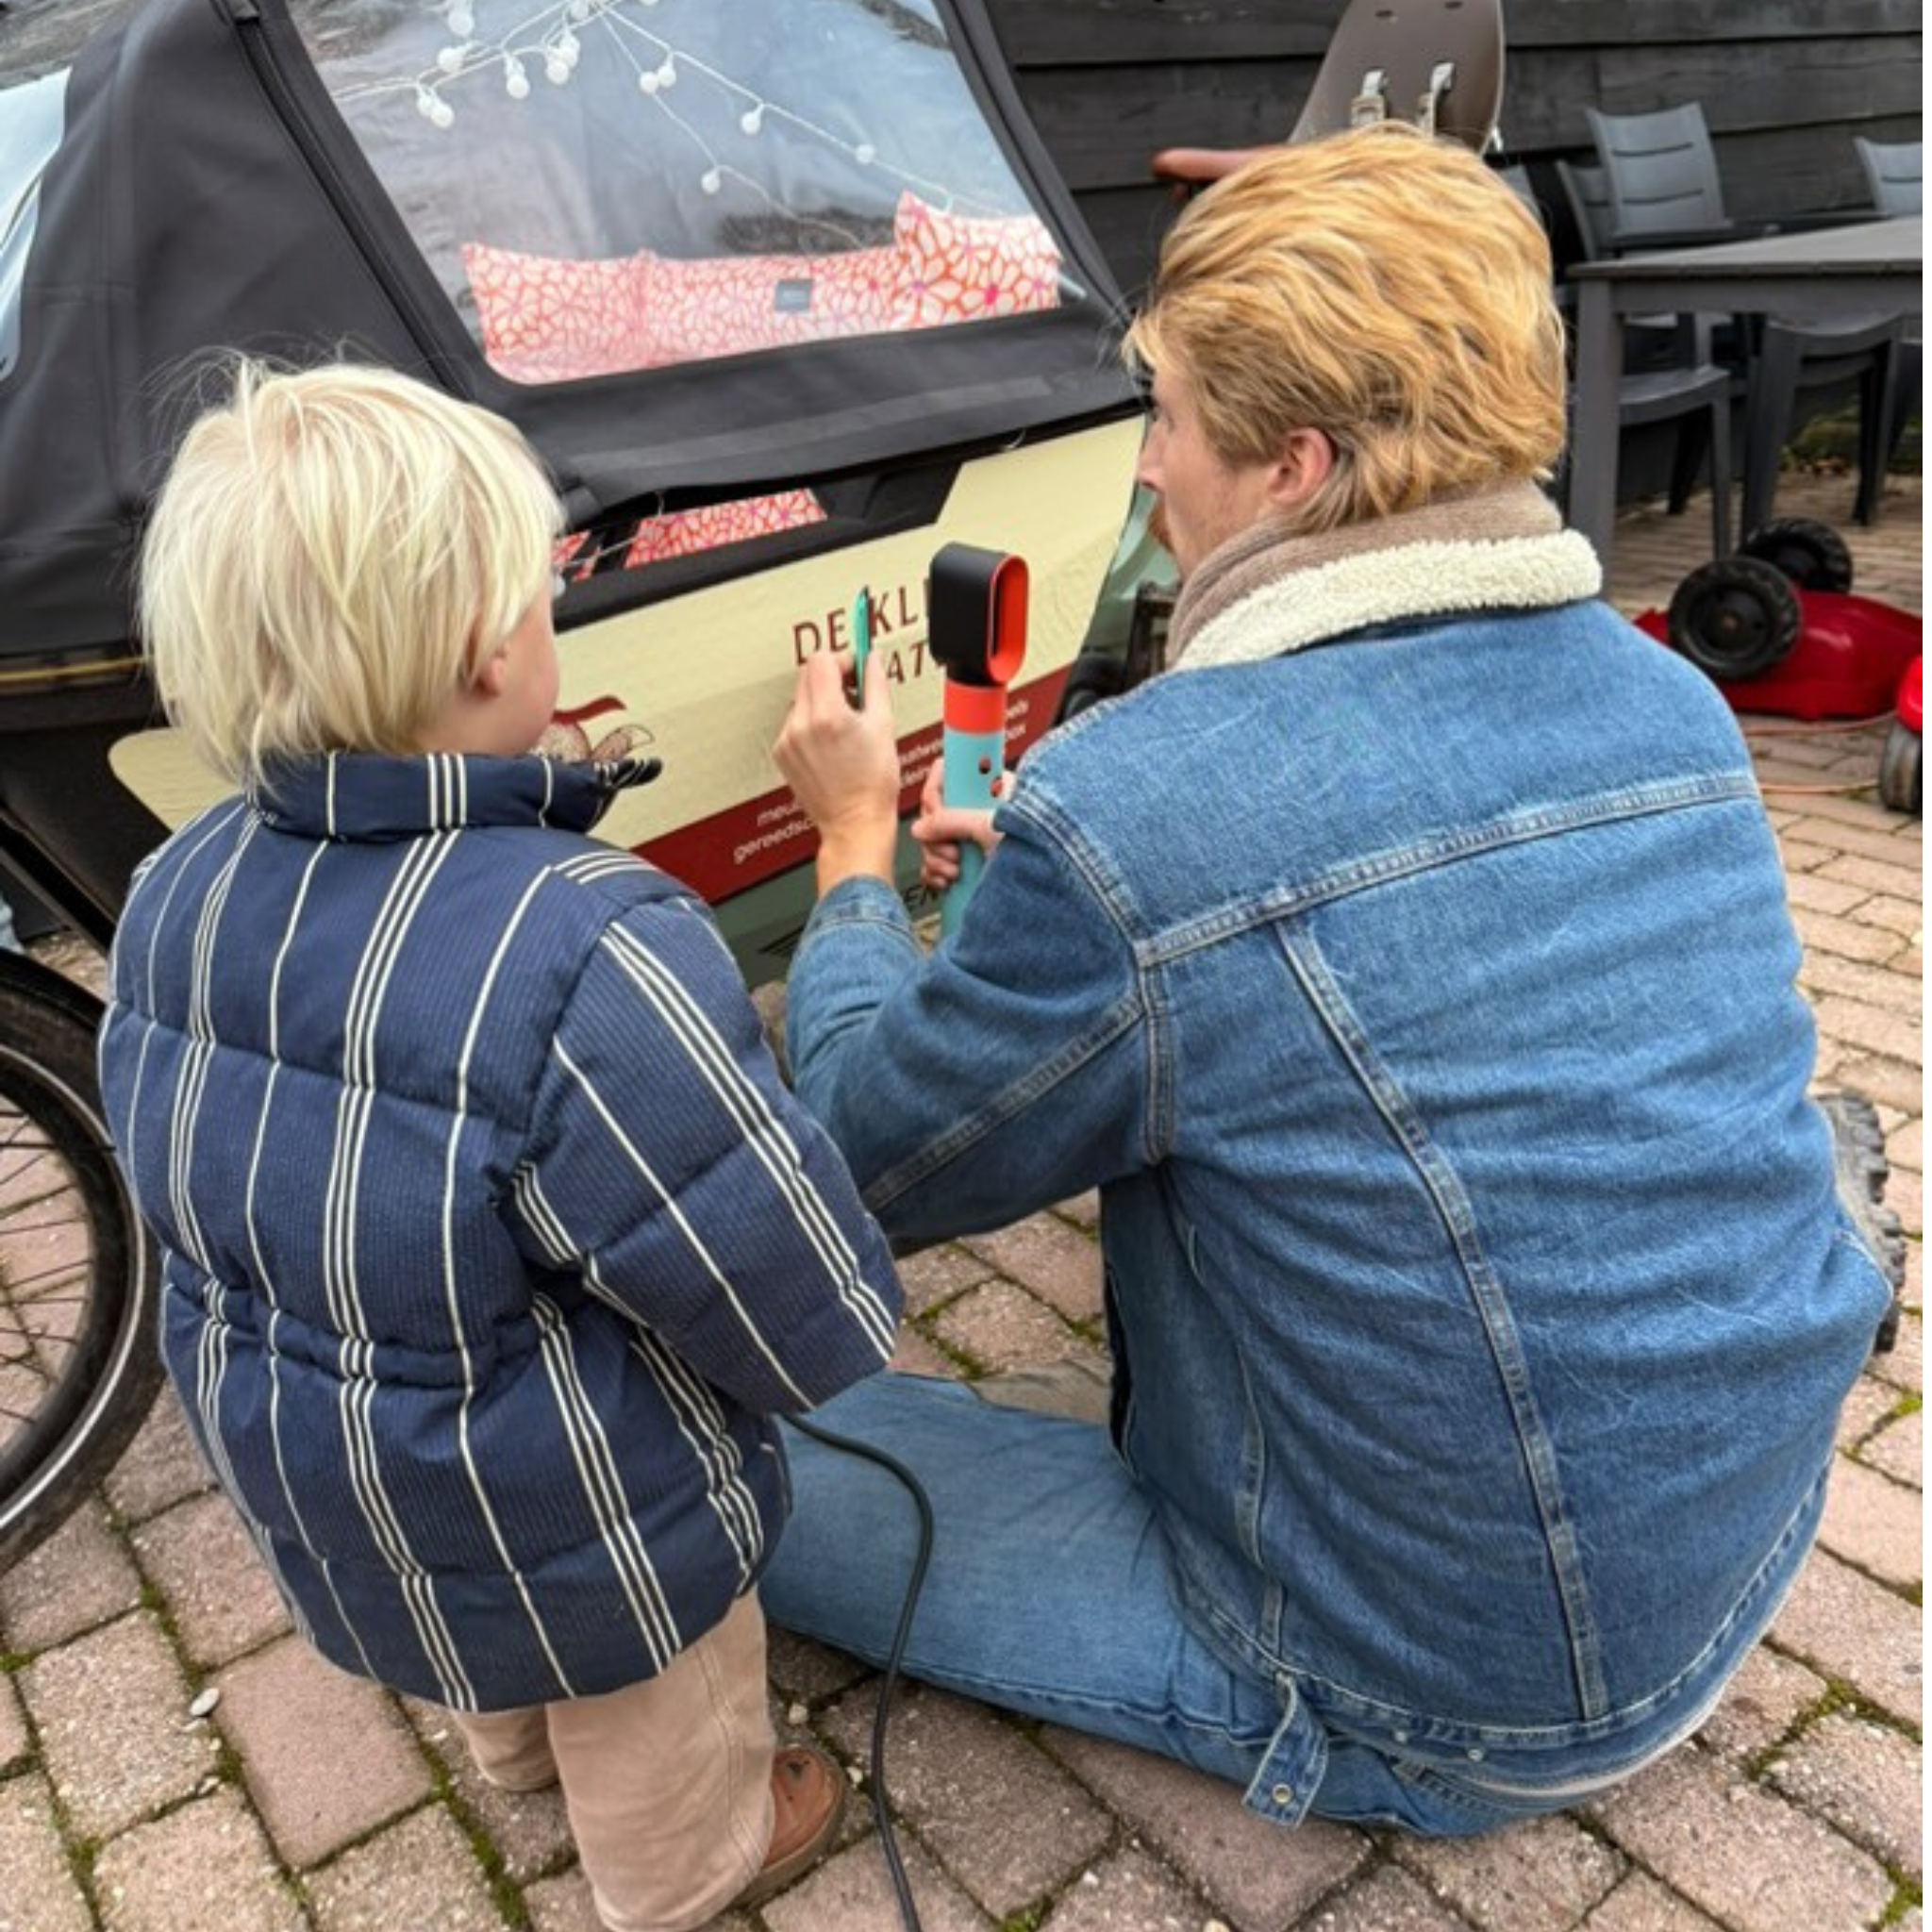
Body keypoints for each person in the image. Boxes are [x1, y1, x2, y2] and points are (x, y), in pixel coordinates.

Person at [765, 123, 1894, 1837]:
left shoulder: (1142, 807)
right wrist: (1102, 915)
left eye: (1165, 418)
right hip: (1739, 1551)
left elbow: (851, 1161)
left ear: (1293, 466)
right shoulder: (1669, 695)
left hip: (1445, 1699)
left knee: (642, 1450)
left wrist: (853, 853)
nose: (1148, 468)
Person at [96, 360, 902, 1932]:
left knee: (472, 1620)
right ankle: (691, 1865)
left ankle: (512, 1752)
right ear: (488, 648)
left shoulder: (176, 883)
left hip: (323, 1463)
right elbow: (745, 1241)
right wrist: (837, 1342)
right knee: (654, 1673)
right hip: (569, 1495)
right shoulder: (585, 942)